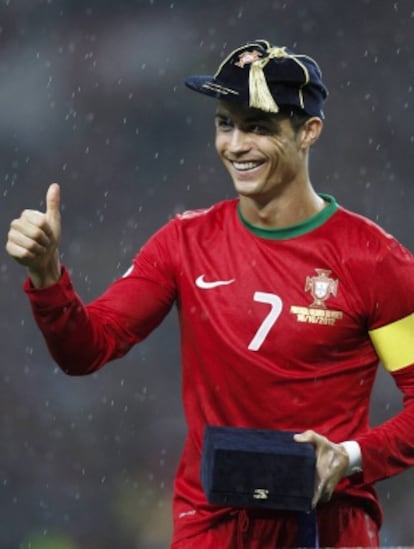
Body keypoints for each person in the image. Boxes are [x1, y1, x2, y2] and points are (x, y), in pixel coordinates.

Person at [5, 38, 414, 548]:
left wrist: (350, 456)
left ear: (309, 131)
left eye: (258, 127)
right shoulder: (184, 243)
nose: (236, 144)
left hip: (326, 529)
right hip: (212, 529)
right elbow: (87, 350)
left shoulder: (374, 261)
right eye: (226, 123)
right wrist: (47, 277)